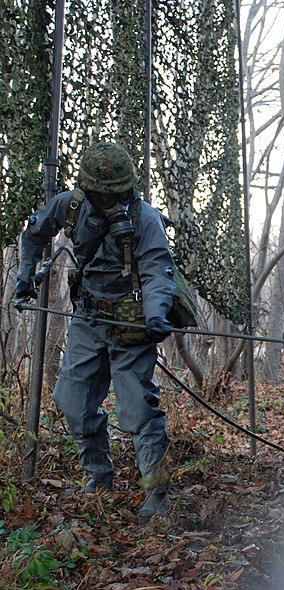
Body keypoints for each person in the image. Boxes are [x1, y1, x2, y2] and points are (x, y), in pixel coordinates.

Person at [13, 142, 176, 523]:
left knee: (138, 410)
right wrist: (25, 279)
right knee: (73, 401)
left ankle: (157, 492)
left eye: (121, 192)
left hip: (132, 325)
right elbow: (33, 235)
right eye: (107, 194)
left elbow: (157, 270)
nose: (115, 200)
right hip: (88, 319)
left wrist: (156, 313)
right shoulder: (70, 206)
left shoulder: (145, 218)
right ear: (89, 190)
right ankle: (99, 479)